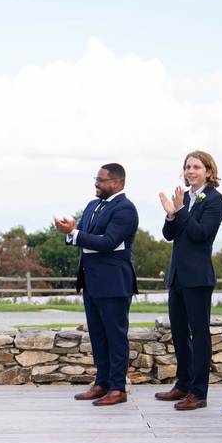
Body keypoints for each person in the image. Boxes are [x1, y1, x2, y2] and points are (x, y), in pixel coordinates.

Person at [55, 163, 138, 406]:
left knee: (115, 336)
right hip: (91, 281)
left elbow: (109, 242)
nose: (96, 184)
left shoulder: (126, 209)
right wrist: (69, 231)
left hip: (114, 283)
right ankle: (101, 383)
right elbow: (82, 234)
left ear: (117, 183)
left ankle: (117, 388)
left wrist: (76, 233)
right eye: (96, 179)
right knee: (98, 336)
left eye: (101, 180)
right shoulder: (92, 205)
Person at [156, 150, 222, 410]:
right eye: (187, 167)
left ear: (208, 171)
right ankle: (183, 384)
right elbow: (168, 234)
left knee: (199, 335)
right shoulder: (183, 197)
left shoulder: (216, 200)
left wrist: (182, 210)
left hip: (198, 277)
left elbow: (200, 234)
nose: (190, 171)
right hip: (177, 276)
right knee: (178, 333)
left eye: (196, 167)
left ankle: (199, 393)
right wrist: (171, 214)